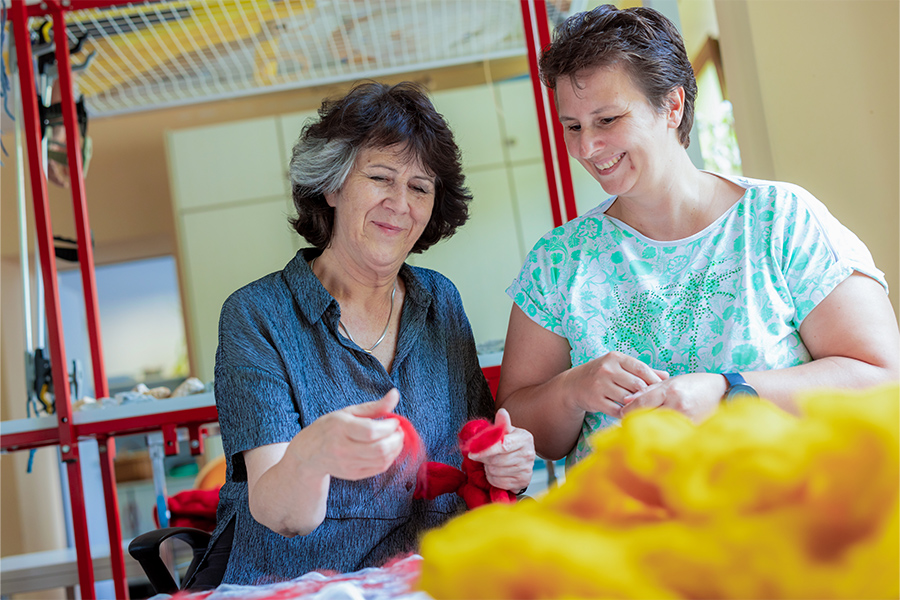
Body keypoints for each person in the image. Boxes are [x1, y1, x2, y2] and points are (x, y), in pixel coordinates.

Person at [496, 5, 899, 465]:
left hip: (786, 522)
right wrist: (572, 389)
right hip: (621, 528)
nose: (586, 147)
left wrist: (730, 391)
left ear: (672, 105)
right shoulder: (558, 259)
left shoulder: (781, 219)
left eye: (607, 120)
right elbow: (518, 426)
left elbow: (881, 379)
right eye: (573, 127)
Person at [191, 81, 535, 588]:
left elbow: (481, 458)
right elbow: (280, 512)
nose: (400, 203)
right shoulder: (256, 314)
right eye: (380, 177)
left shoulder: (440, 301)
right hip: (301, 584)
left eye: (419, 187)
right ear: (331, 187)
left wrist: (509, 463)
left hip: (436, 578)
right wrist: (311, 455)